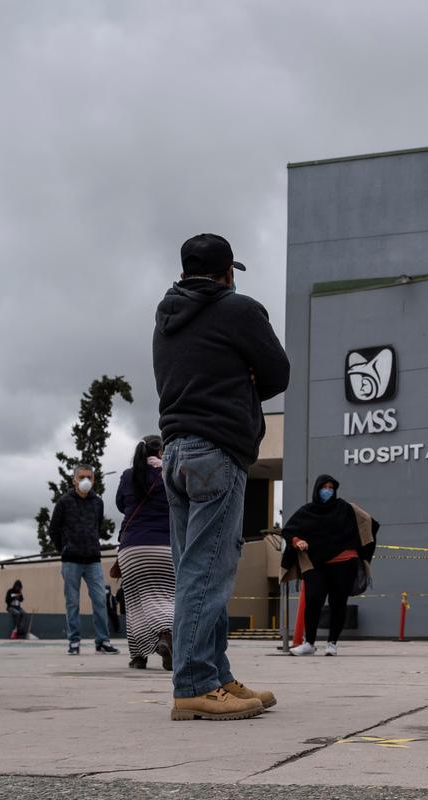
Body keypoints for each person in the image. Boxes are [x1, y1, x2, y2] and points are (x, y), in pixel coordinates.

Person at [154, 232, 289, 720]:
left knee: (196, 568)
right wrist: (246, 374)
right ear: (228, 271)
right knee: (206, 574)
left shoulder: (166, 316)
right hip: (217, 450)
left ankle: (215, 676)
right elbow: (278, 374)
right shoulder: (240, 310)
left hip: (174, 452)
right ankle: (192, 685)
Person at [282, 475, 379, 657]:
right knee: (313, 599)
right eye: (324, 487)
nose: (327, 491)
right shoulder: (307, 511)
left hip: (344, 562)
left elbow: (369, 522)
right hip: (316, 563)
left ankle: (332, 643)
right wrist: (297, 541)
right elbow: (288, 530)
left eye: (331, 487)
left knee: (338, 602)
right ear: (317, 490)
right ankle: (309, 643)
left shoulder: (346, 508)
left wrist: (359, 547)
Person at [114, 436, 175, 671]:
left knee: (135, 602)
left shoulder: (129, 475)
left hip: (131, 549)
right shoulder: (169, 474)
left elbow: (121, 504)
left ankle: (139, 656)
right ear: (161, 452)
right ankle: (166, 635)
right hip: (166, 546)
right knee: (167, 597)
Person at [48, 464, 118, 656]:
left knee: (100, 601)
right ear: (74, 480)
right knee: (72, 602)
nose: (85, 480)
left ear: (94, 480)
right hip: (71, 560)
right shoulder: (64, 502)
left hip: (93, 559)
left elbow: (97, 526)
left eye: (89, 477)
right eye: (82, 477)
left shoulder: (98, 502)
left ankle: (102, 641)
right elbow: (53, 529)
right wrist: (64, 548)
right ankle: (74, 641)